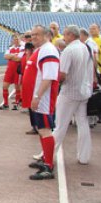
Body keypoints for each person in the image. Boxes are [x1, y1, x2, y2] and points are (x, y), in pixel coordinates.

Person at [46, 25, 95, 165]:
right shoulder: (84, 47)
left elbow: (62, 74)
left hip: (69, 92)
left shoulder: (69, 51)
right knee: (83, 123)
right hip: (83, 91)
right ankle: (84, 156)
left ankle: (47, 155)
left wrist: (53, 82)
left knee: (60, 126)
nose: (63, 37)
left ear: (70, 35)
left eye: (65, 35)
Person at [23, 25, 60, 181]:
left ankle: (49, 166)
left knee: (45, 129)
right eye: (32, 35)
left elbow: (49, 77)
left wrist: (38, 96)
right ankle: (46, 159)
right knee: (41, 128)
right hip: (39, 97)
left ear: (46, 35)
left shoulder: (49, 50)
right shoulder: (41, 50)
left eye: (36, 35)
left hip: (43, 99)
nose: (33, 38)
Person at [0, 34, 24, 110]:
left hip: (18, 70)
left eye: (17, 39)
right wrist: (14, 56)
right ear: (12, 40)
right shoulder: (10, 48)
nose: (16, 40)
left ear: (20, 39)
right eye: (14, 39)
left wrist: (11, 56)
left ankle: (16, 104)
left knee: (17, 87)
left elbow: (19, 59)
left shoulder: (22, 48)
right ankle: (6, 104)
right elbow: (5, 56)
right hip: (9, 70)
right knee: (5, 86)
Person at [89, 23, 101, 123]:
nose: (92, 30)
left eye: (94, 28)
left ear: (99, 29)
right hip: (91, 71)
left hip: (100, 71)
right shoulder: (89, 40)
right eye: (90, 29)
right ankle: (93, 114)